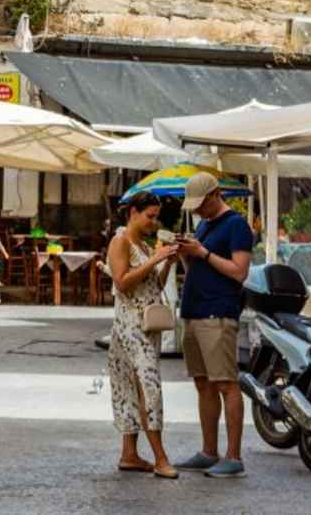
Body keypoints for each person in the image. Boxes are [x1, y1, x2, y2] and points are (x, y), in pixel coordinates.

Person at [173, 172, 253, 478]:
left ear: (215, 195)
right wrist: (186, 254)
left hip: (217, 312)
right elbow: (197, 267)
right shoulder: (204, 225)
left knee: (225, 383)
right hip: (193, 310)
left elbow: (239, 271)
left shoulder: (236, 225)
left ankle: (233, 455)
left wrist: (203, 253)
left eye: (200, 204)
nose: (196, 211)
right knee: (202, 382)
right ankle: (209, 451)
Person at [107, 192, 180, 479]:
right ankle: (161, 458)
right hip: (130, 326)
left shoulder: (145, 246)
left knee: (129, 386)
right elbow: (122, 282)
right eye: (149, 215)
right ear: (133, 213)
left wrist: (167, 262)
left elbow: (153, 285)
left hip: (145, 326)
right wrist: (156, 259)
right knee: (149, 389)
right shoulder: (120, 241)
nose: (154, 221)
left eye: (155, 216)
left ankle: (129, 454)